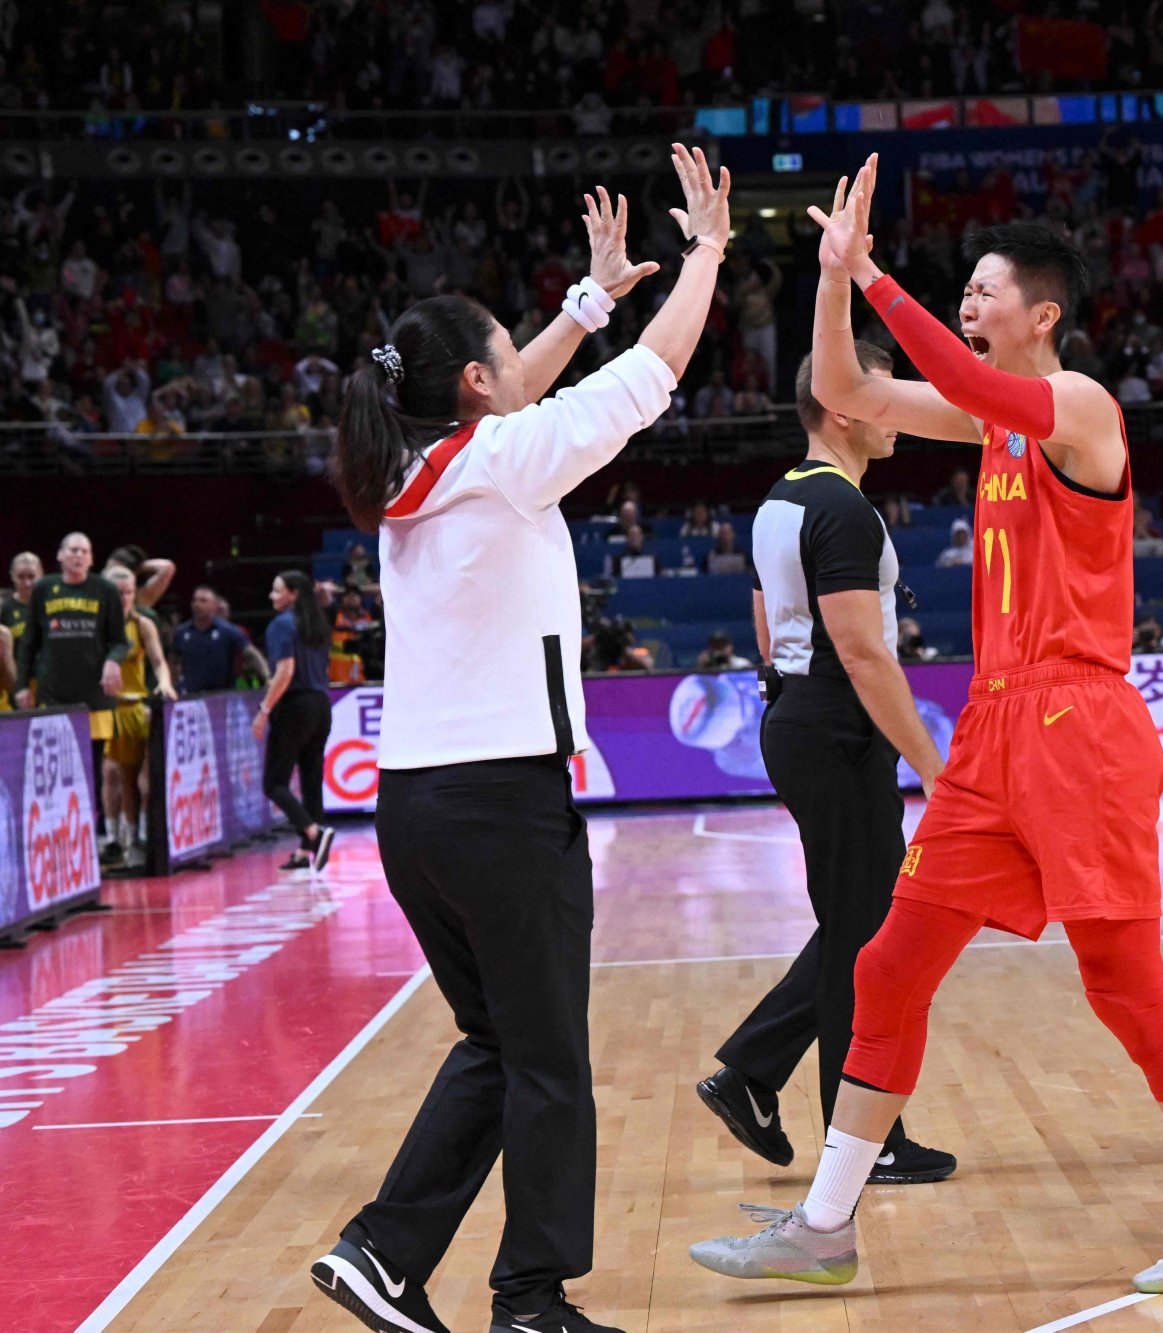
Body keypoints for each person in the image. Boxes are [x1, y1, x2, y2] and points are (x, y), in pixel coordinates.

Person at [692, 158, 1163, 1295]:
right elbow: (844, 391)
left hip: (1080, 728)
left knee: (1122, 980)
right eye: (960, 286)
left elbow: (952, 369)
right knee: (889, 963)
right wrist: (829, 280)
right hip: (994, 736)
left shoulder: (1079, 408)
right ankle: (823, 1224)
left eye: (985, 286)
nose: (968, 299)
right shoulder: (989, 422)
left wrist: (875, 274)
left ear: (1041, 313)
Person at [310, 156, 728, 1333]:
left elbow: (514, 395)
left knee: (499, 1042)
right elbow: (653, 377)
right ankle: (532, 1301)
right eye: (508, 355)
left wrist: (583, 305)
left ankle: (384, 1254)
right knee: (546, 1060)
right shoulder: (495, 461)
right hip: (500, 803)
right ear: (477, 383)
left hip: (414, 810)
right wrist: (704, 256)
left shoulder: (413, 463)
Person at [698, 341, 955, 1191]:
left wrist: (795, 698)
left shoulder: (781, 498)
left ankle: (752, 1072)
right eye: (880, 393)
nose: (897, 411)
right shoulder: (843, 509)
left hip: (797, 714)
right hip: (838, 725)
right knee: (869, 941)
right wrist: (930, 761)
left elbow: (766, 623)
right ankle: (863, 1139)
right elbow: (862, 651)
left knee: (858, 927)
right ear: (843, 407)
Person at [12, 534, 130, 816]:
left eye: (84, 551)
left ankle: (89, 834)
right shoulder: (44, 588)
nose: (78, 555)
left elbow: (119, 641)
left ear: (91, 559)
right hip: (53, 695)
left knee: (91, 770)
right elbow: (29, 641)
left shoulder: (105, 590)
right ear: (60, 555)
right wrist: (21, 685)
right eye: (73, 550)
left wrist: (113, 661)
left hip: (95, 698)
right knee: (54, 771)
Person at [254, 570, 335, 874]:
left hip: (294, 706)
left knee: (274, 783)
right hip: (320, 705)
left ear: (293, 594)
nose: (271, 597)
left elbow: (285, 672)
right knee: (311, 779)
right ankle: (305, 850)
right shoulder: (317, 623)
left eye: (277, 591)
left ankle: (314, 833)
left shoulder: (281, 624)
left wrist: (264, 710)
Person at [99, 565, 176, 866]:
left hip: (131, 706)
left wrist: (165, 682)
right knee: (107, 774)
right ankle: (112, 837)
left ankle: (133, 839)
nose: (125, 598)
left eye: (129, 592)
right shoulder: (94, 627)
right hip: (103, 706)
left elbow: (159, 662)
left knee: (129, 777)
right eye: (119, 594)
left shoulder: (142, 624)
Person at [171, 585, 266, 694]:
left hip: (223, 694)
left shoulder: (228, 630)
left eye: (203, 601)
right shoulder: (182, 632)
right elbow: (173, 660)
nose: (197, 604)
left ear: (214, 606)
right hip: (190, 694)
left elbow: (251, 654)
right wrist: (173, 684)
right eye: (194, 600)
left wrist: (267, 678)